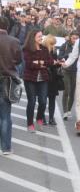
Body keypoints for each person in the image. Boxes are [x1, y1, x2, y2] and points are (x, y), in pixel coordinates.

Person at [23, 29, 54, 132]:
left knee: (43, 101)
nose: (41, 38)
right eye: (39, 37)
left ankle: (39, 118)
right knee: (31, 102)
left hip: (43, 78)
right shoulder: (27, 49)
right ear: (33, 38)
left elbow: (49, 62)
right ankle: (30, 124)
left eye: (42, 36)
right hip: (30, 78)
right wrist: (41, 64)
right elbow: (29, 64)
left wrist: (39, 62)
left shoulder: (44, 49)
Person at [0, 16, 22, 155]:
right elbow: (19, 60)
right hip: (7, 79)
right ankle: (6, 147)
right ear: (7, 27)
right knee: (5, 115)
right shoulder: (14, 41)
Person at [42, 35, 62, 126]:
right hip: (44, 76)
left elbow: (54, 63)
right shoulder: (42, 51)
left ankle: (51, 118)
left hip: (53, 77)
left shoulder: (54, 51)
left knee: (52, 99)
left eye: (54, 44)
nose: (54, 46)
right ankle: (42, 117)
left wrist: (58, 63)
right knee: (43, 99)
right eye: (52, 44)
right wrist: (53, 63)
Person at [59, 31, 79, 121]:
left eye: (77, 38)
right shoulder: (65, 45)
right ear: (70, 38)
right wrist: (68, 54)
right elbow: (60, 56)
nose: (75, 40)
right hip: (66, 70)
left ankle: (69, 110)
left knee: (72, 92)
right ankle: (65, 111)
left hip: (76, 71)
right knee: (67, 89)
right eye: (73, 38)